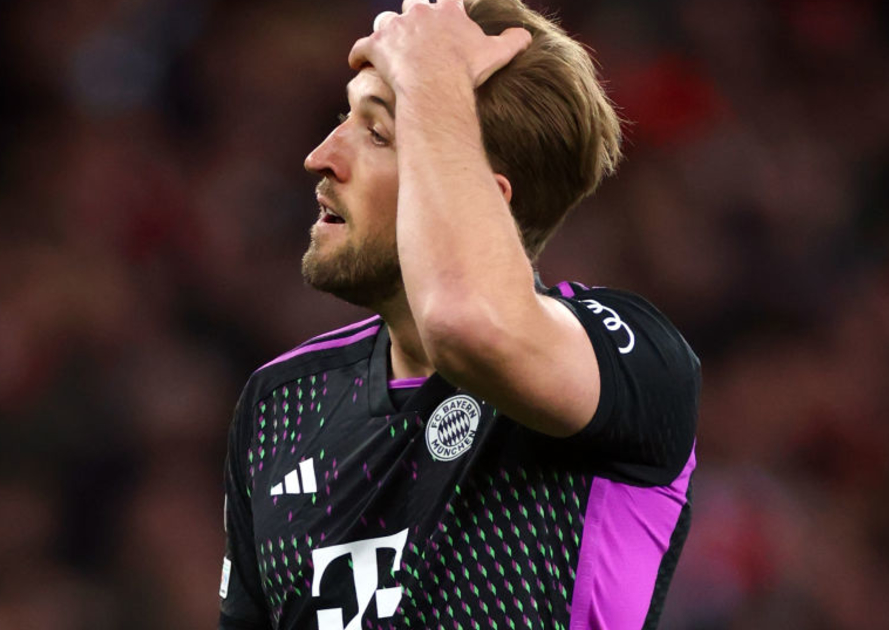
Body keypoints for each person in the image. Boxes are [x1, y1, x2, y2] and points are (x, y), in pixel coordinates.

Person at [218, 0, 699, 628]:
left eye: (379, 134)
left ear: (483, 199)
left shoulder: (634, 360)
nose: (322, 157)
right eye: (344, 119)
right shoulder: (280, 402)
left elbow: (467, 325)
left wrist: (433, 78)